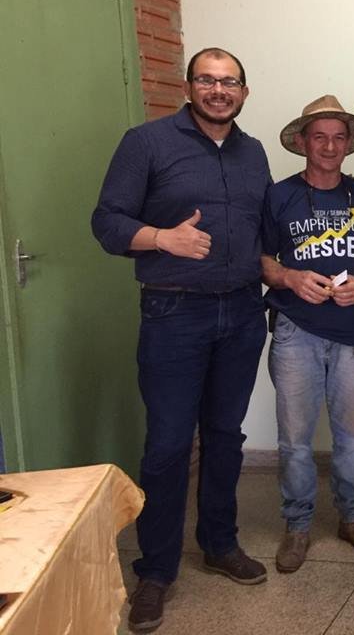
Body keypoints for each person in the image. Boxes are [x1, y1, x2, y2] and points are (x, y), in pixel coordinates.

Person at [92, 47, 271, 632]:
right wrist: (161, 238)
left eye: (230, 82)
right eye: (208, 80)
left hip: (242, 311)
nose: (219, 91)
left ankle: (219, 543)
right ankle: (156, 570)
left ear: (244, 92)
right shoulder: (146, 143)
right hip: (174, 312)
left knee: (225, 436)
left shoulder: (253, 151)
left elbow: (264, 227)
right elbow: (106, 221)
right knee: (169, 445)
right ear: (189, 86)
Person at [262, 95, 354, 572]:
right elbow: (263, 260)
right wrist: (290, 278)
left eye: (338, 138)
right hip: (296, 331)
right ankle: (297, 526)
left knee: (351, 434)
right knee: (295, 438)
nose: (330, 146)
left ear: (349, 144)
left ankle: (352, 518)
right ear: (303, 142)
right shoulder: (279, 196)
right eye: (320, 137)